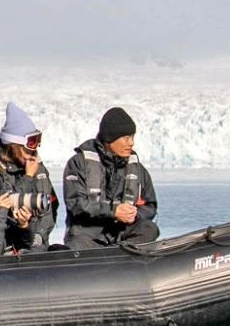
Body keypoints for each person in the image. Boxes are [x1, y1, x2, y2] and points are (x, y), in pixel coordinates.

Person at [63, 106, 159, 248]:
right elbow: (76, 203)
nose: (131, 143)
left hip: (123, 232)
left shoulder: (137, 169)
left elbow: (149, 205)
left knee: (149, 229)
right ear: (109, 138)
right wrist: (113, 211)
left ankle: (123, 254)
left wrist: (134, 214)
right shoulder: (78, 164)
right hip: (88, 235)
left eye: (132, 137)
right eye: (126, 138)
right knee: (76, 245)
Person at [0, 101, 59, 251]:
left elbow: (50, 206)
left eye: (34, 149)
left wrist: (39, 238)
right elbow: (5, 206)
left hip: (37, 244)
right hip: (10, 246)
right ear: (13, 146)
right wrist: (27, 177)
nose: (32, 155)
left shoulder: (39, 169)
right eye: (27, 150)